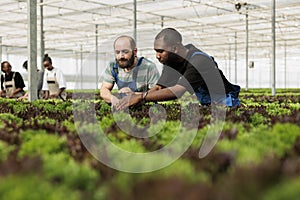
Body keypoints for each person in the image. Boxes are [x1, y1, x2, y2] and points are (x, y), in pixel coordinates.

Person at [116, 28, 240, 110]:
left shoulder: (199, 61)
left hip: (227, 102)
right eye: (156, 51)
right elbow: (160, 87)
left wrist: (142, 97)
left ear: (174, 49)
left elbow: (177, 91)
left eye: (160, 51)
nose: (157, 56)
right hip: (207, 103)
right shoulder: (172, 61)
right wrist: (136, 95)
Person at [100, 35, 160, 107]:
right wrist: (112, 98)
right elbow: (104, 89)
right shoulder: (113, 66)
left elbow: (157, 93)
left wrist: (134, 95)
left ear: (135, 52)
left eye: (125, 52)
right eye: (117, 52)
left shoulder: (148, 67)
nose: (121, 56)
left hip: (145, 108)